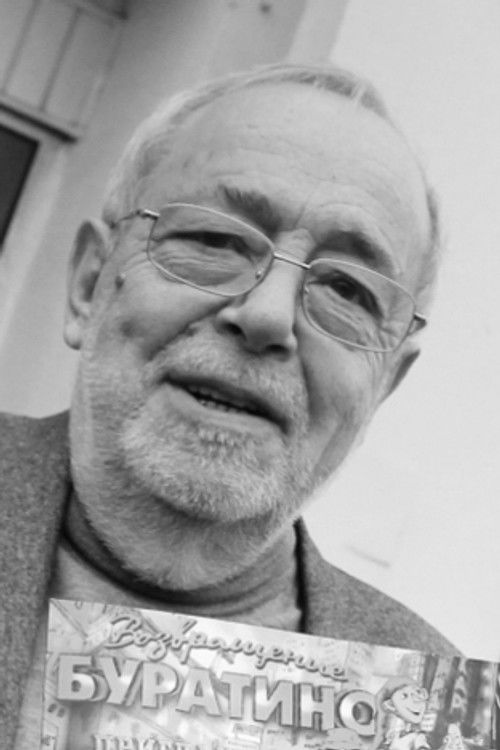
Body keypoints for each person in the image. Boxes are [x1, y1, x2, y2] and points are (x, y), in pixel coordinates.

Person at [0, 63, 456, 748]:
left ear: (385, 383)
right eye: (215, 240)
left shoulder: (422, 718)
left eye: (348, 291)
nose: (268, 315)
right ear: (90, 283)